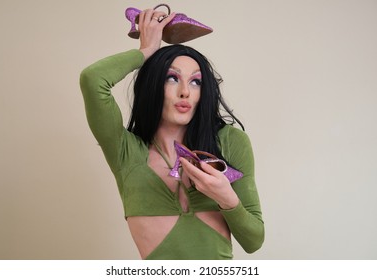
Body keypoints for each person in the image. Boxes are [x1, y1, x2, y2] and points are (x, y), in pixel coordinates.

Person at [79, 7, 264, 260]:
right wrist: (146, 51)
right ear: (154, 84)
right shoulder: (126, 151)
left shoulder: (230, 141)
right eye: (172, 78)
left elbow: (254, 240)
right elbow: (93, 79)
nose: (186, 92)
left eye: (196, 81)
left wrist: (226, 197)